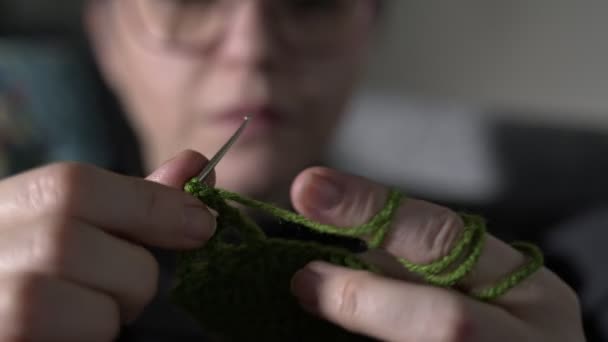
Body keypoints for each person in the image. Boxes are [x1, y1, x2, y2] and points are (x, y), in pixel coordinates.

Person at [0, 0, 588, 341]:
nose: (253, 45)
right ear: (106, 37)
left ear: (369, 31)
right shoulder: (22, 271)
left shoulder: (522, 277)